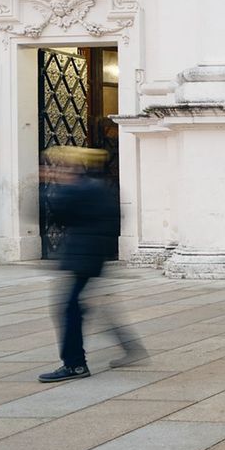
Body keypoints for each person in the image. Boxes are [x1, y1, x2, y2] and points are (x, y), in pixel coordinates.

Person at [38, 146, 145, 383]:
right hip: (91, 257)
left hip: (83, 258)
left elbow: (57, 215)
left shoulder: (79, 190)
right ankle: (130, 347)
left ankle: (75, 364)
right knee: (88, 307)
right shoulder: (99, 188)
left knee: (69, 309)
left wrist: (45, 188)